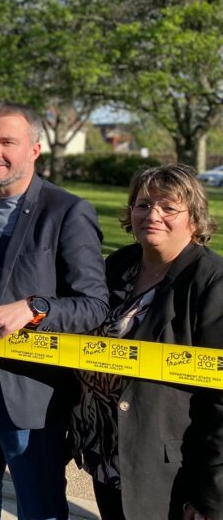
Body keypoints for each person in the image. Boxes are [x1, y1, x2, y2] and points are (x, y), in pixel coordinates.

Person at [0, 102, 109, 519]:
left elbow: (94, 305)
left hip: (30, 389)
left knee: (39, 504)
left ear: (34, 149)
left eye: (6, 141)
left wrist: (34, 308)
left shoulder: (68, 211)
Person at [70, 164, 223, 520]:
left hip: (167, 470)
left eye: (169, 207)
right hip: (107, 456)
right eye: (143, 204)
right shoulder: (118, 265)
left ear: (195, 220)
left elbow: (220, 401)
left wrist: (209, 498)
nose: (153, 214)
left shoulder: (211, 283)